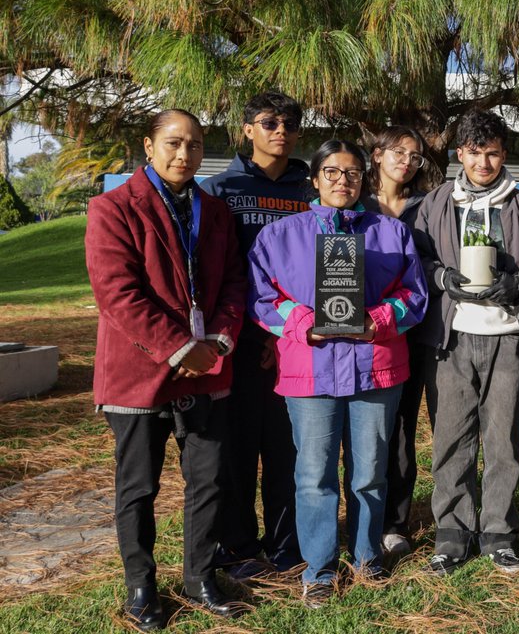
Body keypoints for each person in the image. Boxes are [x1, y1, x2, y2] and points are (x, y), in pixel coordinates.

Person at [86, 109, 250, 630]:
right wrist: (181, 346)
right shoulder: (112, 208)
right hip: (139, 372)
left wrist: (219, 339)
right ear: (149, 146)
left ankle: (200, 577)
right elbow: (117, 293)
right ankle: (141, 587)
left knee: (210, 481)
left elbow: (234, 284)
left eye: (196, 145)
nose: (186, 155)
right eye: (175, 144)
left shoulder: (215, 211)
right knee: (138, 487)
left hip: (208, 368)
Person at [246, 140, 428, 608]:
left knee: (369, 473)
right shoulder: (280, 236)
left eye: (351, 173)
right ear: (314, 179)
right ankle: (320, 568)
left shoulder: (391, 233)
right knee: (313, 475)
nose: (342, 181)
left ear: (363, 179)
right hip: (310, 373)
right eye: (331, 172)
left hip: (376, 369)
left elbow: (416, 296)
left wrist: (379, 321)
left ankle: (367, 556)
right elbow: (261, 299)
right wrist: (302, 323)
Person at [412, 109, 519, 576]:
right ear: (460, 154)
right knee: (452, 440)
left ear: (504, 154)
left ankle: (498, 532)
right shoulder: (434, 204)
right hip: (451, 341)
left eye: (493, 153)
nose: (484, 163)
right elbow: (418, 258)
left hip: (509, 338)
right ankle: (452, 534)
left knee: (502, 442)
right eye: (475, 153)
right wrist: (440, 277)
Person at [203, 91, 309, 578]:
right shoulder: (221, 190)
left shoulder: (310, 188)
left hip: (297, 340)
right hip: (238, 342)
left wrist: (287, 329)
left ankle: (287, 545)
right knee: (239, 448)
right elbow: (214, 271)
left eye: (288, 122)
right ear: (247, 129)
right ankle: (239, 547)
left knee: (289, 449)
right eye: (268, 122)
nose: (279, 130)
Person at [362, 125, 441, 558]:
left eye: (415, 156)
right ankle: (359, 519)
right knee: (359, 435)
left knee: (400, 434)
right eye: (398, 152)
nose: (407, 161)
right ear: (376, 154)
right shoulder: (355, 200)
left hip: (408, 335)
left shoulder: (425, 208)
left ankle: (395, 523)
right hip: (355, 338)